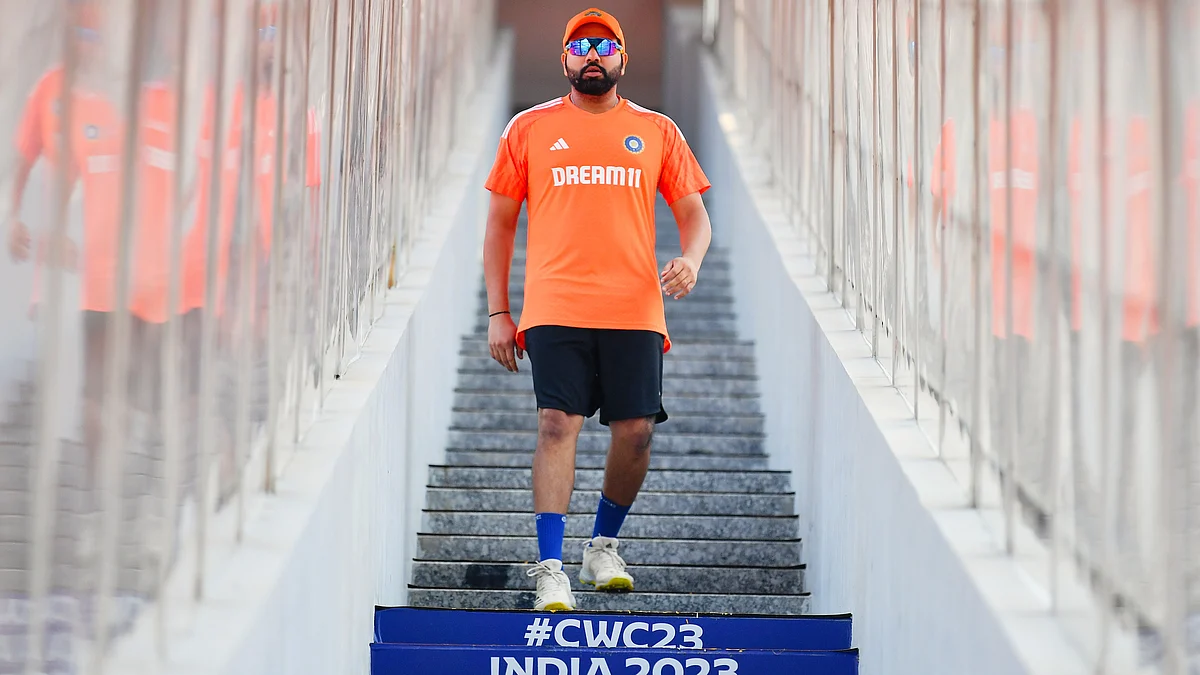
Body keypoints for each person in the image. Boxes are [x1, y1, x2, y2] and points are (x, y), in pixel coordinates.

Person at [482, 7, 713, 611]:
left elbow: (694, 216)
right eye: (580, 45)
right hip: (555, 303)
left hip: (634, 307)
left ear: (623, 59)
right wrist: (497, 312)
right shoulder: (528, 128)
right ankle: (551, 568)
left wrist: (691, 259)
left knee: (635, 434)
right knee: (557, 423)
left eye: (604, 46)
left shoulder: (658, 131)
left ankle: (602, 545)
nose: (592, 55)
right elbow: (500, 226)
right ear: (564, 59)